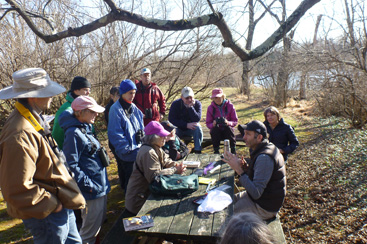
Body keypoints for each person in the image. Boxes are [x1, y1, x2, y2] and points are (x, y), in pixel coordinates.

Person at [0, 68, 86, 243]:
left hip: (58, 204)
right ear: (33, 96)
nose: (52, 96)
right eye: (47, 92)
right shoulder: (20, 133)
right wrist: (53, 206)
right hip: (47, 214)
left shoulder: (32, 118)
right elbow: (16, 188)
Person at [59, 96, 111, 244]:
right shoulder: (73, 133)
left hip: (99, 187)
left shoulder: (85, 128)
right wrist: (89, 186)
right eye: (92, 111)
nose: (96, 114)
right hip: (92, 191)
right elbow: (71, 166)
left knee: (96, 228)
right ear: (81, 112)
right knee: (88, 233)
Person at [223, 120, 286, 220]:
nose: (244, 137)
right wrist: (246, 168)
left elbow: (256, 193)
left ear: (259, 137)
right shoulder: (262, 148)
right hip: (259, 199)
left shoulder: (264, 158)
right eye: (244, 133)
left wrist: (239, 170)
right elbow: (261, 175)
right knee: (224, 201)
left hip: (264, 207)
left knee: (225, 216)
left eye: (248, 134)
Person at [124, 121, 187, 215]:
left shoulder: (155, 147)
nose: (165, 138)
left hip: (147, 195)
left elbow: (167, 161)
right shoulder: (148, 152)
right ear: (154, 137)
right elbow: (154, 177)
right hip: (138, 202)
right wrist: (175, 170)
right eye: (162, 136)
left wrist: (177, 165)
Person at [107, 79, 144, 192]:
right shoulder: (115, 109)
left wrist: (141, 135)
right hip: (127, 154)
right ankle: (129, 204)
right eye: (130, 93)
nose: (132, 95)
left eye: (134, 92)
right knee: (130, 182)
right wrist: (127, 150)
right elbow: (115, 134)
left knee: (138, 180)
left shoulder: (134, 108)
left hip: (137, 150)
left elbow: (141, 126)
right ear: (123, 93)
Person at [52, 76, 91, 149]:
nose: (88, 93)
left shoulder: (85, 106)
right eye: (85, 90)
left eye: (89, 90)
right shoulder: (66, 109)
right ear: (76, 91)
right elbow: (58, 134)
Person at [168, 86, 203, 154]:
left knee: (198, 127)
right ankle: (175, 151)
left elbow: (197, 119)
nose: (189, 100)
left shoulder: (197, 104)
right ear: (182, 97)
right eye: (187, 98)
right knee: (171, 130)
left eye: (191, 97)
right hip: (179, 128)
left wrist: (191, 108)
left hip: (191, 129)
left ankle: (198, 150)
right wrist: (185, 125)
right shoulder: (176, 104)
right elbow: (171, 119)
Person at [206, 88, 238, 154]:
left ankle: (233, 150)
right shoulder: (210, 108)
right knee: (214, 130)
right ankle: (216, 151)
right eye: (215, 98)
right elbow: (208, 123)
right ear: (213, 99)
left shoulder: (230, 106)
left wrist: (228, 122)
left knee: (228, 128)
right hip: (217, 132)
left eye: (219, 97)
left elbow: (235, 121)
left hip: (227, 131)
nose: (217, 99)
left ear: (223, 96)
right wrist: (213, 124)